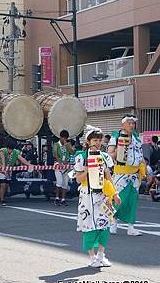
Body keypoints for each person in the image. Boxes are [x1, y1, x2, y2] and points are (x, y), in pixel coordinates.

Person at [74, 126, 121, 267]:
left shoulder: (105, 156)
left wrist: (115, 193)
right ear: (88, 141)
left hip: (103, 196)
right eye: (94, 140)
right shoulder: (81, 157)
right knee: (89, 227)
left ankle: (101, 255)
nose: (97, 143)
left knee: (105, 225)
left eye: (99, 140)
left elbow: (109, 176)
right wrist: (87, 169)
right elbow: (78, 179)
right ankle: (92, 257)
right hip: (87, 197)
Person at [107, 114, 146, 236]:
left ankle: (131, 227)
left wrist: (145, 169)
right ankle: (113, 224)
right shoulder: (116, 137)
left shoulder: (137, 138)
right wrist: (120, 149)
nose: (131, 125)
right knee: (118, 199)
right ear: (122, 124)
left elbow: (140, 155)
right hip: (121, 173)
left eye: (133, 123)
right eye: (129, 122)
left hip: (134, 173)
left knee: (132, 200)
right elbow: (109, 155)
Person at [0, 138, 31, 206]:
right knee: (2, 184)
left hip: (9, 170)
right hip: (1, 169)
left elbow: (22, 159)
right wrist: (3, 170)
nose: (10, 151)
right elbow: (3, 162)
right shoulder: (2, 151)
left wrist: (29, 165)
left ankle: (2, 196)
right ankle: (2, 199)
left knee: (6, 185)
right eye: (9, 149)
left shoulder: (15, 152)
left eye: (11, 149)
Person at [53, 130, 75, 206]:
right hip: (58, 166)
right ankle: (56, 198)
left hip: (66, 166)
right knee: (59, 181)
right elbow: (55, 154)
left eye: (66, 138)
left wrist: (69, 147)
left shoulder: (67, 144)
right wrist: (60, 162)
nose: (65, 140)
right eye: (64, 138)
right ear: (60, 137)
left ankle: (63, 199)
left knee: (65, 183)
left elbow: (72, 153)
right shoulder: (56, 144)